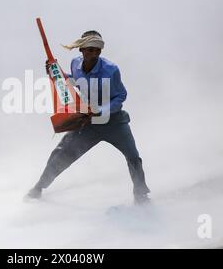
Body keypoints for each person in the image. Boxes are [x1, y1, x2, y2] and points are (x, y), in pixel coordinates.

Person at [25, 30, 151, 204]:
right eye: (90, 49)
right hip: (88, 123)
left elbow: (121, 95)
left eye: (97, 50)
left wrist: (101, 110)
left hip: (113, 122)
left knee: (133, 157)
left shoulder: (111, 70)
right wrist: (55, 72)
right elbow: (73, 80)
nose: (94, 53)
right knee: (61, 153)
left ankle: (141, 195)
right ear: (81, 50)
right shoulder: (75, 64)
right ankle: (39, 187)